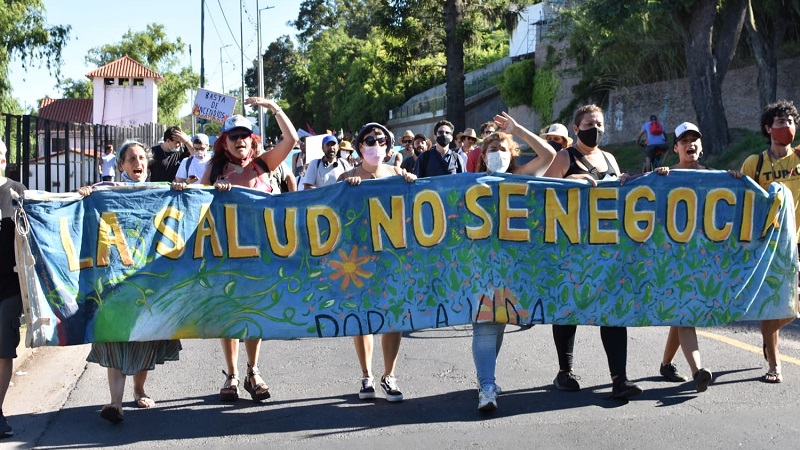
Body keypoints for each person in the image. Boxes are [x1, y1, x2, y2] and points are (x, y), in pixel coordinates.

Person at [197, 97, 298, 401]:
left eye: (245, 135)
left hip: (260, 254)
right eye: (234, 136)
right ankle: (231, 375)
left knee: (253, 312)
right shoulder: (214, 171)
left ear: (252, 140)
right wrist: (212, 193)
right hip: (226, 254)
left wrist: (273, 107)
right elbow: (196, 204)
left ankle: (253, 372)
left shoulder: (264, 164)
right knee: (230, 315)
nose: (240, 140)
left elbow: (291, 139)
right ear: (224, 142)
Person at [78, 140, 182, 424]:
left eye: (141, 158)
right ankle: (115, 403)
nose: (137, 163)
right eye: (131, 159)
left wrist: (182, 192)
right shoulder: (105, 192)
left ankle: (138, 389)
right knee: (115, 338)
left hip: (150, 280)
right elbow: (78, 204)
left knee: (144, 337)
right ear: (121, 165)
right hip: (114, 282)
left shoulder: (161, 191)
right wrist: (84, 193)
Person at [543, 104, 643, 399]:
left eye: (599, 123)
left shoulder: (610, 157)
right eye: (589, 123)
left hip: (608, 249)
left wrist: (625, 182)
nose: (595, 128)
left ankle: (619, 380)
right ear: (576, 129)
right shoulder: (565, 156)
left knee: (613, 311)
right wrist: (569, 180)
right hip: (571, 248)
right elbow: (540, 190)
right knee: (568, 307)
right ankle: (565, 371)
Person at [471, 113, 557, 412]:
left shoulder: (520, 177)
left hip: (512, 265)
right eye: (492, 150)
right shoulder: (469, 183)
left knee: (499, 323)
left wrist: (517, 130)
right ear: (483, 156)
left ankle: (486, 378)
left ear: (513, 155)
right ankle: (487, 386)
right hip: (479, 263)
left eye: (503, 150)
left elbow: (549, 154)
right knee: (485, 324)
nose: (497, 155)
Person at [654, 122, 742, 393]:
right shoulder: (665, 176)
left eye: (695, 140)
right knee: (686, 313)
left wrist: (737, 182)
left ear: (701, 147)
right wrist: (656, 176)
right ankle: (698, 370)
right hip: (672, 259)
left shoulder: (715, 176)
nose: (690, 144)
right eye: (684, 140)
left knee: (682, 314)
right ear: (676, 148)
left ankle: (667, 365)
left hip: (702, 260)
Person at [337, 122, 416, 403]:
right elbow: (329, 211)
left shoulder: (398, 173)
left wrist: (410, 183)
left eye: (381, 140)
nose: (376, 144)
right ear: (360, 146)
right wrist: (345, 190)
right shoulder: (346, 176)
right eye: (369, 140)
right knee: (362, 318)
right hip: (357, 259)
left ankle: (389, 374)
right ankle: (366, 375)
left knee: (394, 318)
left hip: (392, 258)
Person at [739, 99, 800, 384]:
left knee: (792, 307)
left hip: (797, 243)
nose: (786, 127)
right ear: (768, 128)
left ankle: (768, 338)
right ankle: (774, 364)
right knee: (771, 304)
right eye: (780, 123)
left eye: (790, 122)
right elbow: (742, 199)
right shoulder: (756, 163)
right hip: (768, 245)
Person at [0, 139, 26, 436]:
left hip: (8, 285)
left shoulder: (17, 191)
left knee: (3, 352)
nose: (1, 159)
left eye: (3, 154)